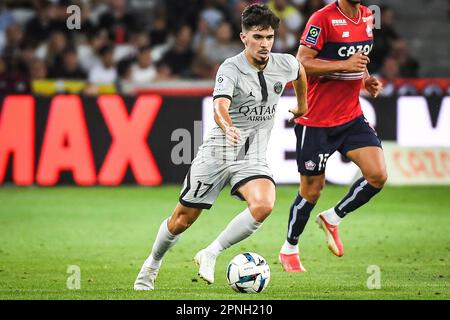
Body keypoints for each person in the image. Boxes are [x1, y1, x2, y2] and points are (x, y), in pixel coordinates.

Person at [134, 3, 307, 290]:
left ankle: (210, 252)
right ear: (243, 38)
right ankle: (151, 265)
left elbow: (300, 72)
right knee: (181, 220)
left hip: (251, 156)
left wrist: (303, 106)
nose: (264, 44)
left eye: (269, 37)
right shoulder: (231, 67)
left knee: (264, 204)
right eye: (257, 37)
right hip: (218, 152)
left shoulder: (284, 63)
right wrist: (227, 125)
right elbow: (219, 105)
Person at [278, 0, 387, 272]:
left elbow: (358, 61)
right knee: (312, 191)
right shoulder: (322, 19)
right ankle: (289, 247)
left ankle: (334, 217)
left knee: (378, 175)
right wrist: (345, 63)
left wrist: (365, 79)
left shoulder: (367, 16)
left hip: (351, 117)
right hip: (315, 120)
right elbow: (301, 63)